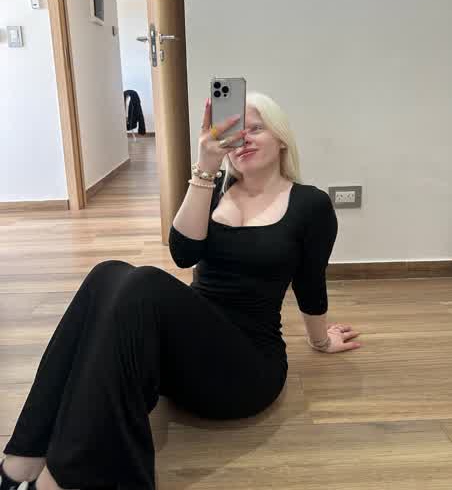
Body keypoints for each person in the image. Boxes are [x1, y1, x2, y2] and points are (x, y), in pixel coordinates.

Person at [1, 92, 361, 490]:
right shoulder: (214, 189)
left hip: (246, 369)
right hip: (187, 352)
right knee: (107, 273)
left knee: (144, 283)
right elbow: (183, 254)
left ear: (281, 139)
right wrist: (205, 166)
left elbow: (310, 284)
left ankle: (63, 481)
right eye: (234, 130)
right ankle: (22, 460)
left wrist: (320, 341)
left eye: (256, 129)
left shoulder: (310, 204)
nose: (243, 139)